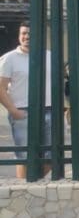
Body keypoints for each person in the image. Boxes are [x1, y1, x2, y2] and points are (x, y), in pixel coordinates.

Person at [0, 22, 52, 179]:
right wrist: (13, 111)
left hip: (49, 110)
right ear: (19, 36)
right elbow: (1, 87)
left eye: (30, 33)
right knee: (24, 157)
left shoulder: (49, 56)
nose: (27, 37)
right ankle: (24, 188)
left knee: (52, 154)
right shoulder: (9, 58)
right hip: (22, 111)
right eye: (23, 33)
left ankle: (35, 183)